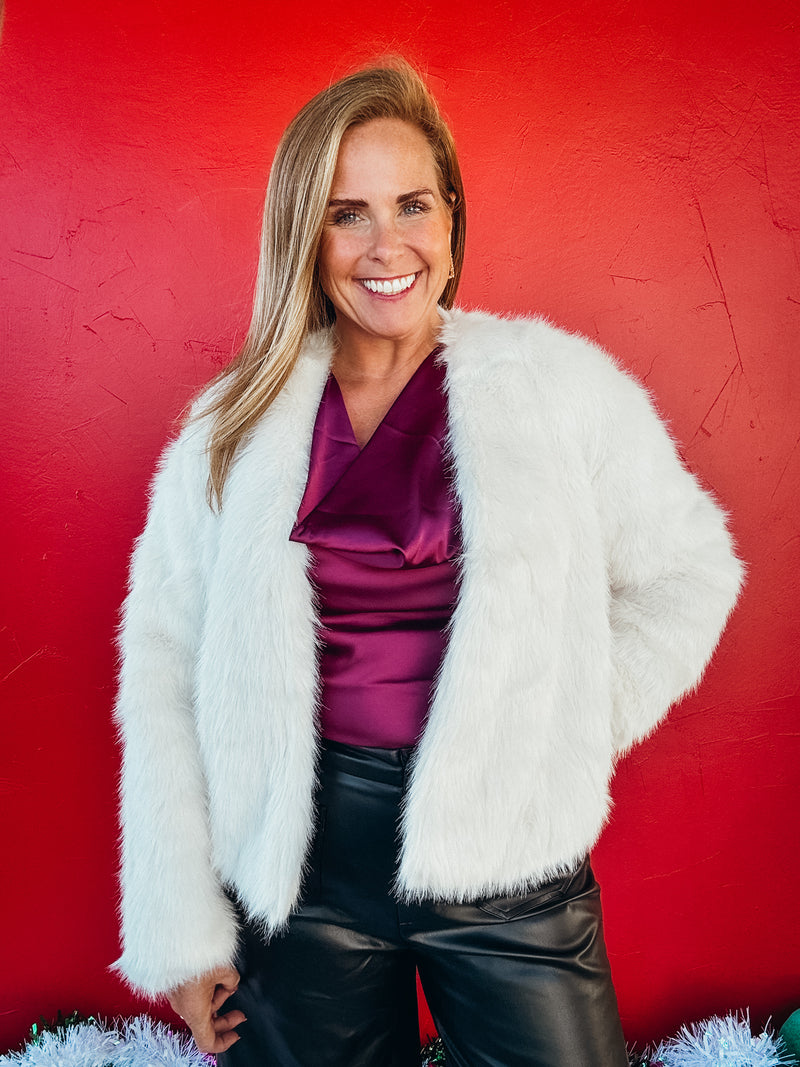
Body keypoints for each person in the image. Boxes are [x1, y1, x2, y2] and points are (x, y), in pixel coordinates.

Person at [113, 61, 743, 1066]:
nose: (386, 245)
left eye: (411, 204)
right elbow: (163, 664)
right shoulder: (229, 427)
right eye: (347, 214)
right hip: (299, 882)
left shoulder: (556, 387)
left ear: (450, 214)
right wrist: (182, 925)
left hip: (510, 875)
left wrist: (560, 721)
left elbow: (691, 572)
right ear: (304, 236)